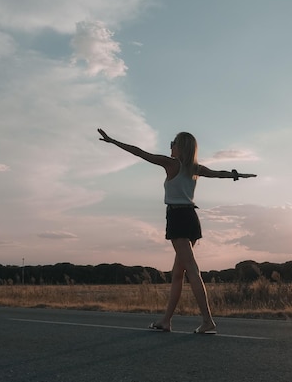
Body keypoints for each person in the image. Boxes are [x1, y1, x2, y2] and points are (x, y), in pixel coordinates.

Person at [97, 128, 256, 334]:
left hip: (178, 218)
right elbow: (220, 174)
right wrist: (238, 175)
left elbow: (140, 153)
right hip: (191, 219)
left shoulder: (172, 164)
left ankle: (208, 321)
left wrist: (113, 141)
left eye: (173, 142)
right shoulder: (195, 169)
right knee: (177, 275)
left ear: (180, 147)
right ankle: (166, 321)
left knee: (191, 270)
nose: (170, 146)